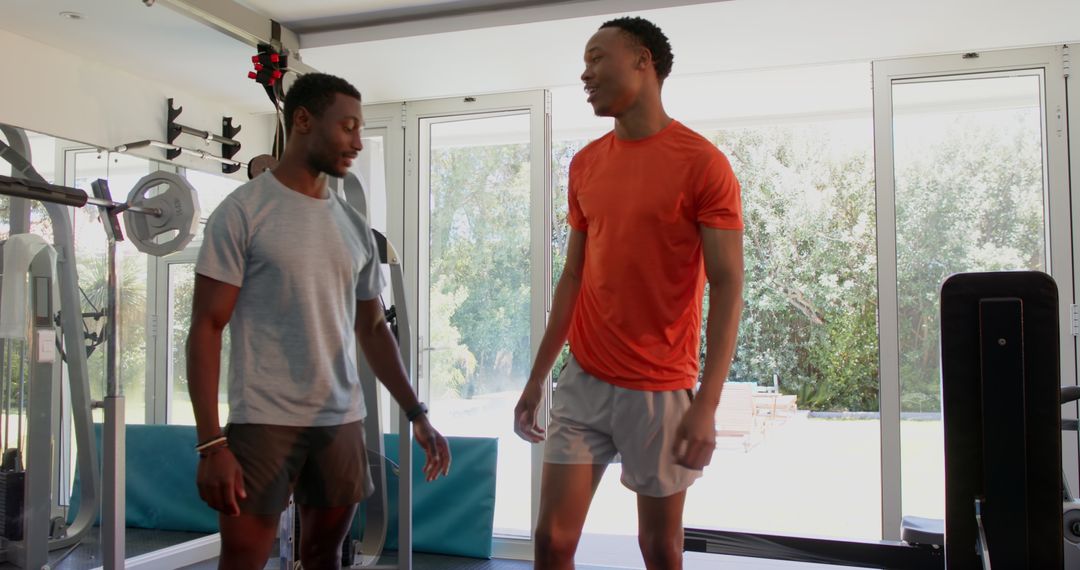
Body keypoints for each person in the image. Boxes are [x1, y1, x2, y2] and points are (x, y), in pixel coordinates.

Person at [187, 72, 451, 570]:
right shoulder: (244, 212)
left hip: (340, 420)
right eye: (347, 126)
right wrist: (210, 443)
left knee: (325, 554)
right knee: (244, 557)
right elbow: (206, 327)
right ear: (303, 120)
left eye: (360, 128)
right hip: (263, 420)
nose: (356, 142)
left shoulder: (352, 226)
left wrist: (417, 413)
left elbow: (373, 329)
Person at [513, 16, 744, 570]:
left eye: (597, 58)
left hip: (659, 387)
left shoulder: (703, 164)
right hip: (584, 380)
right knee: (550, 542)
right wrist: (538, 375)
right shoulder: (586, 163)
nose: (584, 73)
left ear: (643, 60)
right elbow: (573, 277)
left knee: (659, 549)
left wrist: (706, 402)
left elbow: (729, 284)